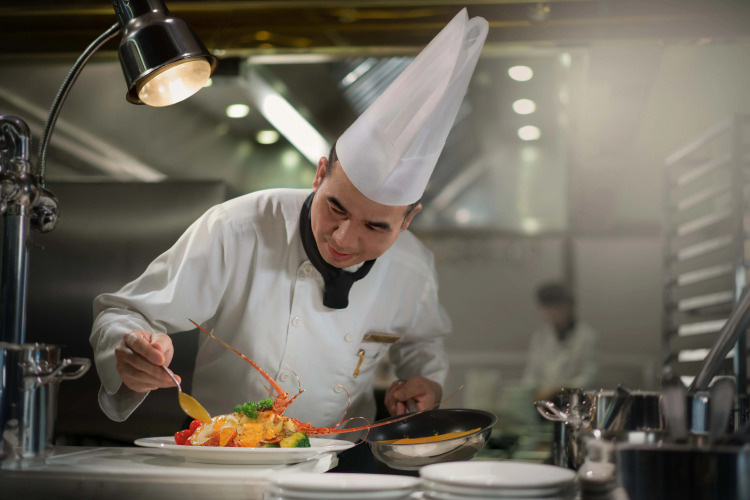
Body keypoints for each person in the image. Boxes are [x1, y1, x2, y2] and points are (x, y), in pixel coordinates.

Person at [89, 9, 488, 467]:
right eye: (336, 207)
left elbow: (421, 344)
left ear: (408, 220)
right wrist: (131, 350)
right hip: (223, 458)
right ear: (319, 175)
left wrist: (425, 382)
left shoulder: (412, 267)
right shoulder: (236, 228)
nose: (344, 237)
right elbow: (123, 313)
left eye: (376, 226)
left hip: (343, 461)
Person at [520, 282, 598, 402]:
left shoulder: (586, 337)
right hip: (543, 401)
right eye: (545, 308)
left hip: (574, 401)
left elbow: (589, 376)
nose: (549, 313)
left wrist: (559, 390)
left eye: (554, 308)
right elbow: (531, 373)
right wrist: (531, 391)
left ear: (568, 308)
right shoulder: (540, 337)